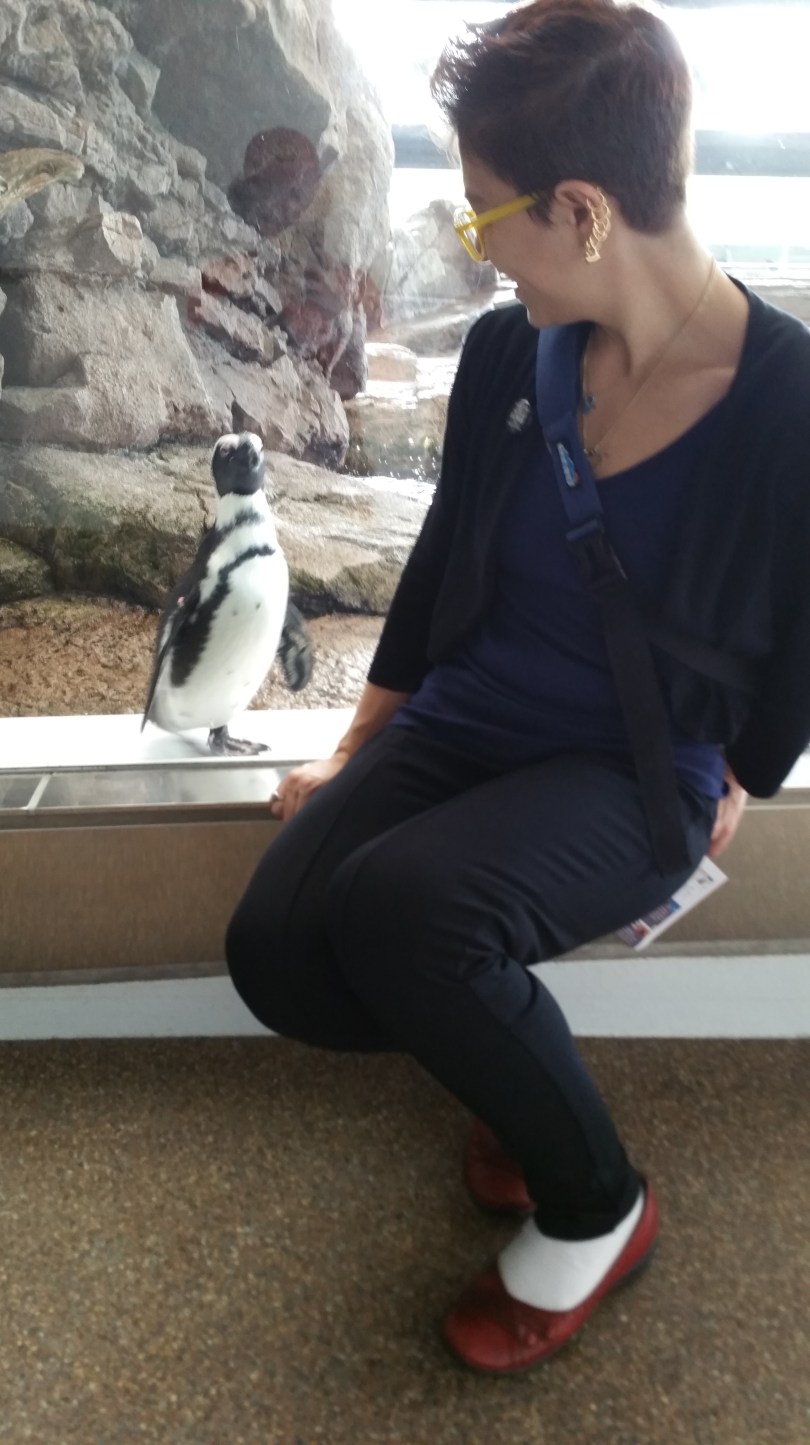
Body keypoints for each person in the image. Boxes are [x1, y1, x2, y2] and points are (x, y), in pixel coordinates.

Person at [226, 0, 810, 1374]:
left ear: (584, 211)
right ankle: (506, 1057)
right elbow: (441, 566)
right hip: (472, 718)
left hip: (633, 765)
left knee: (407, 909)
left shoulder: (789, 404)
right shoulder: (507, 354)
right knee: (281, 950)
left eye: (482, 213)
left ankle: (598, 1205)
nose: (471, 244)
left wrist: (740, 773)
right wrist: (353, 748)